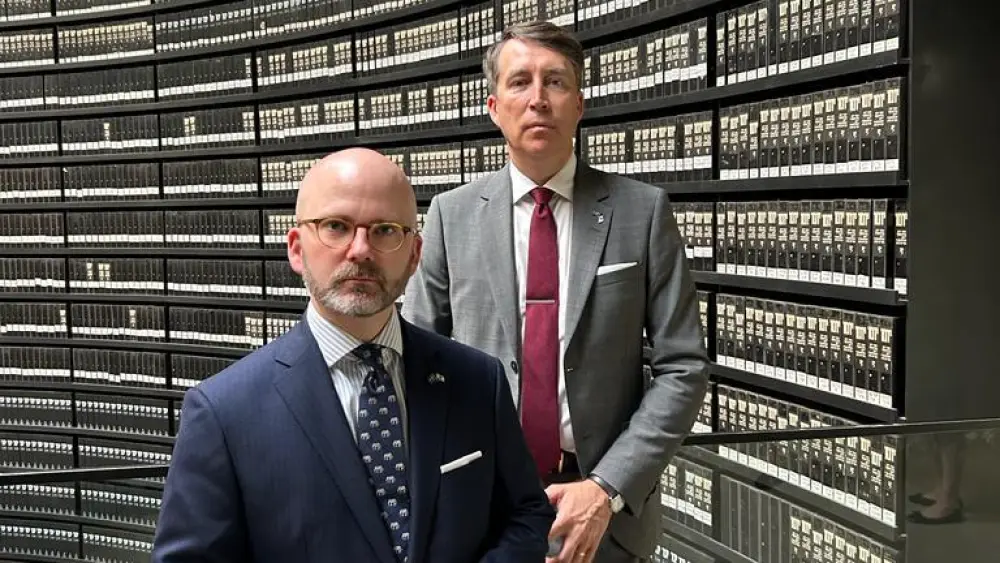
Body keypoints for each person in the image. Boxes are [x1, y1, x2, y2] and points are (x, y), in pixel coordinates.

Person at [151, 148, 556, 563]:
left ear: (415, 254)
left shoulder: (478, 381)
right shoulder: (223, 413)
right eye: (336, 226)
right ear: (296, 248)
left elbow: (526, 514)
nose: (361, 250)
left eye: (385, 230)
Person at [401, 21, 711, 563]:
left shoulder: (642, 211)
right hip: (482, 507)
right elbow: (416, 360)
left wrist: (608, 488)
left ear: (579, 105)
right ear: (495, 107)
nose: (538, 99)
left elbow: (683, 366)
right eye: (520, 81)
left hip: (605, 512)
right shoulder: (451, 216)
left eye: (556, 82)